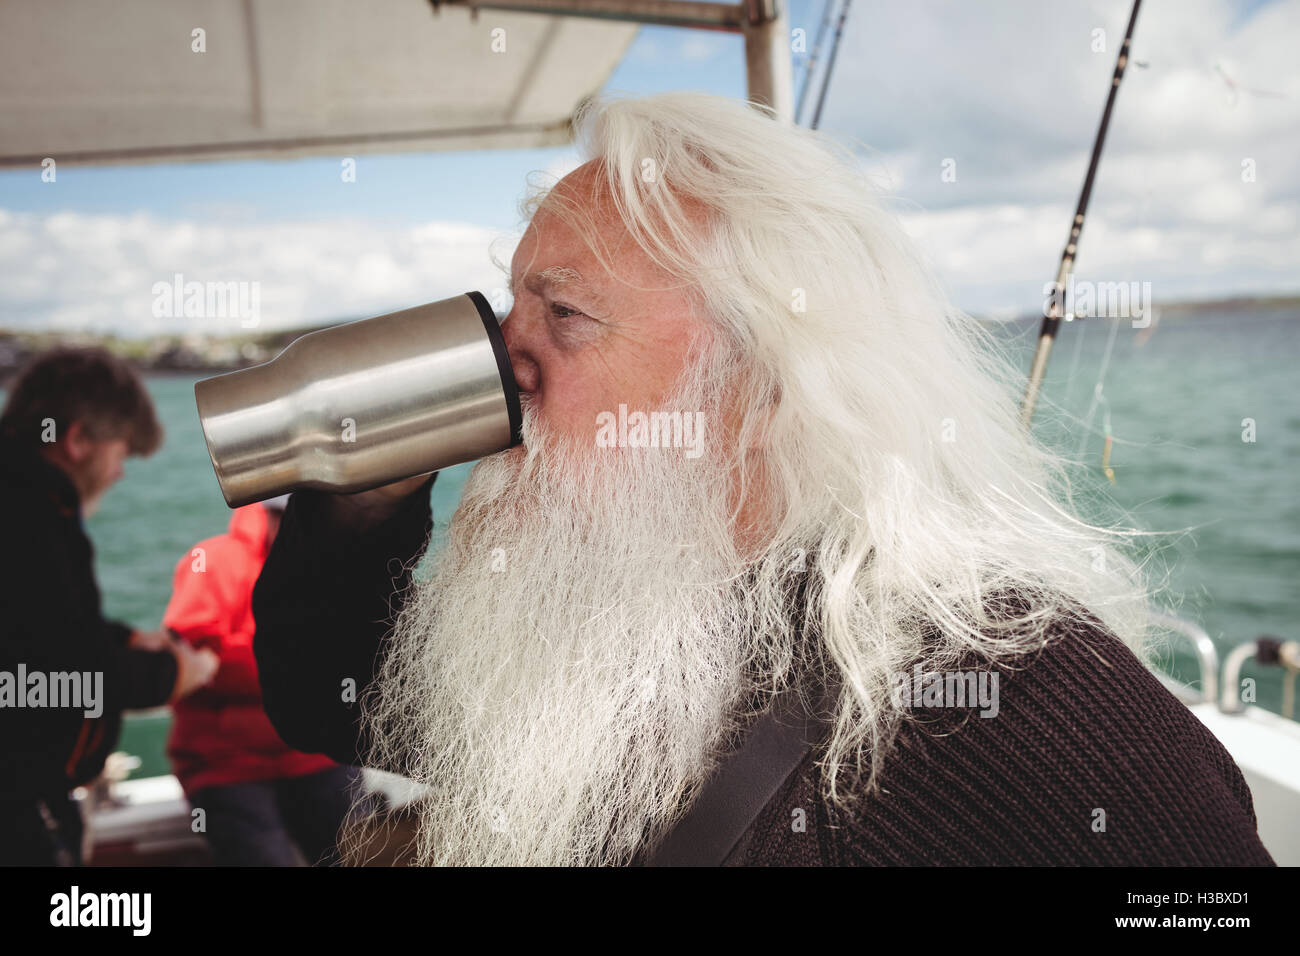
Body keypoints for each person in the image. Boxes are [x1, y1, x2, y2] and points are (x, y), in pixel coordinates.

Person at [252, 92, 1274, 866]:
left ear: (766, 382)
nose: (500, 381)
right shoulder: (601, 626)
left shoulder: (1020, 704)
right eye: (505, 321)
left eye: (563, 317)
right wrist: (359, 479)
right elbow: (328, 690)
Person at [0, 346, 218, 866]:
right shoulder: (35, 512)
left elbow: (34, 631)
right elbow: (64, 671)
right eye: (120, 454)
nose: (120, 473)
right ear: (76, 440)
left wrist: (122, 640)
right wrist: (175, 672)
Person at [162, 495, 365, 866]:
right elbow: (187, 661)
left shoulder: (328, 563)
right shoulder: (213, 562)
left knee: (364, 854)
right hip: (226, 762)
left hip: (317, 754)